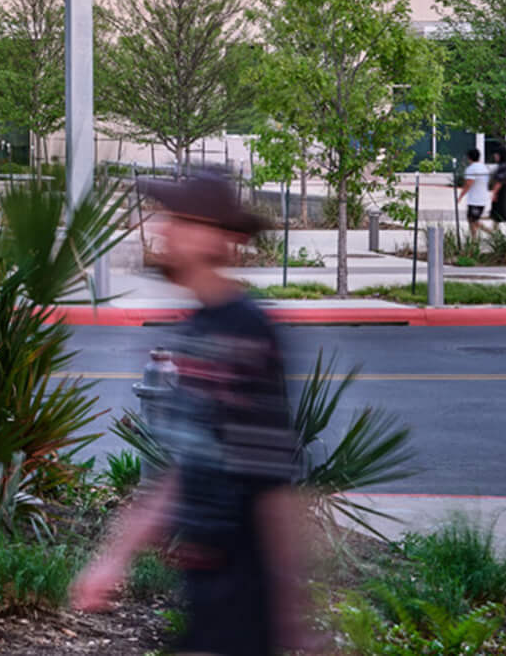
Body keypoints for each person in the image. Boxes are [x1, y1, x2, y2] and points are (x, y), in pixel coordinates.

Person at [75, 170, 316, 656]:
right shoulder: (195, 329)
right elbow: (185, 468)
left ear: (216, 238)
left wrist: (291, 615)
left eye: (179, 220)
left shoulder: (247, 335)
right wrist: (112, 560)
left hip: (243, 590)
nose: (162, 230)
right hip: (203, 583)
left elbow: (274, 482)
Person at [458, 146, 495, 237]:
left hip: (475, 200)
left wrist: (460, 196)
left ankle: (490, 233)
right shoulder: (484, 167)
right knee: (472, 219)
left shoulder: (471, 169)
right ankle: (474, 239)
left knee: (472, 220)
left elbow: (468, 184)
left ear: (469, 157)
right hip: (482, 198)